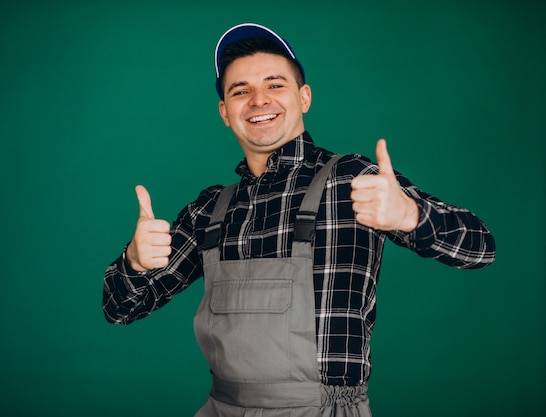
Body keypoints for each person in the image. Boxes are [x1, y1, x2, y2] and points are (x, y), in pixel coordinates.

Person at [102, 23, 496, 417]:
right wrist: (134, 262)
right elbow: (121, 309)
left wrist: (410, 215)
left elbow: (481, 248)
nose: (259, 100)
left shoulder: (352, 179)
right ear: (224, 112)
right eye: (240, 91)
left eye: (275, 85)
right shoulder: (210, 210)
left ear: (304, 97)